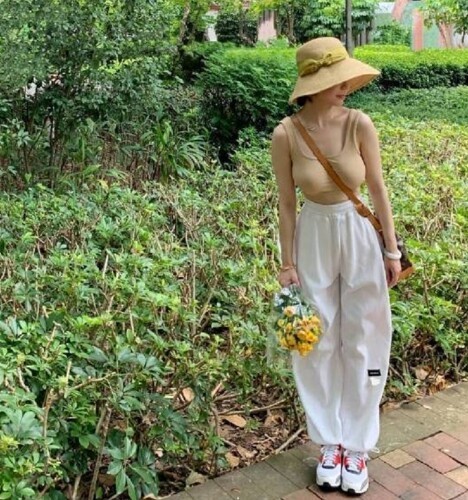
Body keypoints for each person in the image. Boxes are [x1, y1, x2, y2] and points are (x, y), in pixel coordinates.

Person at [271, 37, 402, 495]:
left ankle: (357, 446)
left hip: (358, 232)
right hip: (313, 235)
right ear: (312, 85)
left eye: (345, 78)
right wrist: (286, 263)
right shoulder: (286, 134)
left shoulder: (359, 124)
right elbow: (287, 203)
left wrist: (391, 250)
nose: (344, 86)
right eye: (335, 80)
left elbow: (378, 189)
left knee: (365, 337)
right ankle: (329, 441)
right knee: (316, 341)